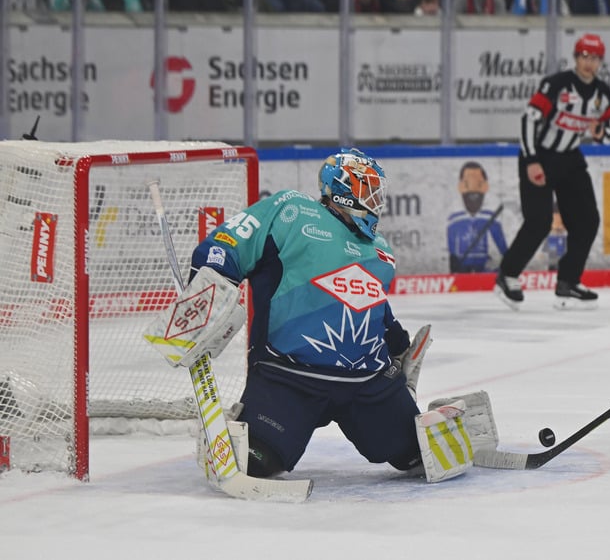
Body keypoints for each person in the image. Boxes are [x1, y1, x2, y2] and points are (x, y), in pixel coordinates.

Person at [148, 149, 475, 488]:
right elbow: (226, 245)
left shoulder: (380, 248)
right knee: (256, 461)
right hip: (288, 376)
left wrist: (395, 339)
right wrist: (207, 285)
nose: (376, 200)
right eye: (369, 190)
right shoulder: (290, 210)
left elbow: (371, 301)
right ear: (342, 189)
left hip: (367, 383)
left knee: (414, 455)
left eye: (378, 192)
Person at [495, 33, 610, 311]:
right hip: (539, 154)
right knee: (539, 221)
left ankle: (568, 282)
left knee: (587, 220)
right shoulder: (557, 85)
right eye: (585, 56)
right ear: (576, 57)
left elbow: (607, 134)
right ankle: (508, 275)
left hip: (570, 158)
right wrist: (532, 160)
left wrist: (599, 132)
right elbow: (528, 120)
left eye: (595, 58)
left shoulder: (602, 93)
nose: (589, 62)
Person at [447, 161, 508, 273]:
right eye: (467, 184)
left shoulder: (489, 218)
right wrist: (453, 263)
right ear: (461, 187)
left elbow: (502, 245)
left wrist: (510, 263)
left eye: (478, 184)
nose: (473, 189)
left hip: (481, 267)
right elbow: (451, 247)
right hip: (462, 269)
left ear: (485, 186)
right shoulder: (455, 219)